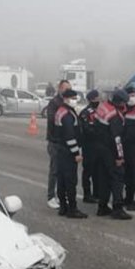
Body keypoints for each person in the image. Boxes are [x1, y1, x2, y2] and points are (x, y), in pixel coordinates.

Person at [92, 90, 132, 220]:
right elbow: (117, 139)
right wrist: (119, 157)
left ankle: (102, 206)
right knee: (117, 178)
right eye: (124, 102)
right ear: (120, 102)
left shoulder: (103, 107)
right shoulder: (115, 116)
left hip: (99, 148)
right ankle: (117, 208)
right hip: (110, 150)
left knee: (103, 178)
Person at [53, 90, 88, 219]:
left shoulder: (61, 110)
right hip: (68, 152)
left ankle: (63, 207)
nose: (75, 100)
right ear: (66, 99)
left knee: (62, 180)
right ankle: (72, 209)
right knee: (70, 181)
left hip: (61, 150)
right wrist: (76, 153)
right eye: (73, 98)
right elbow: (70, 136)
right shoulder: (67, 115)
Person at [44, 80, 71, 209]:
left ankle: (60, 195)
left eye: (69, 88)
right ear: (60, 89)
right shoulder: (54, 103)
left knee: (62, 170)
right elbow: (52, 120)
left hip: (64, 142)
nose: (67, 91)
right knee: (54, 170)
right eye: (65, 88)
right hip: (55, 141)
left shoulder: (67, 102)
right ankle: (50, 196)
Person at [78, 89, 102, 204]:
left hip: (99, 146)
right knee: (88, 171)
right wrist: (98, 131)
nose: (99, 100)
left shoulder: (100, 111)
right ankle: (87, 194)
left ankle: (97, 193)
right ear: (92, 99)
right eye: (97, 98)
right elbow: (86, 129)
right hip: (89, 146)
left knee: (98, 171)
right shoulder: (85, 113)